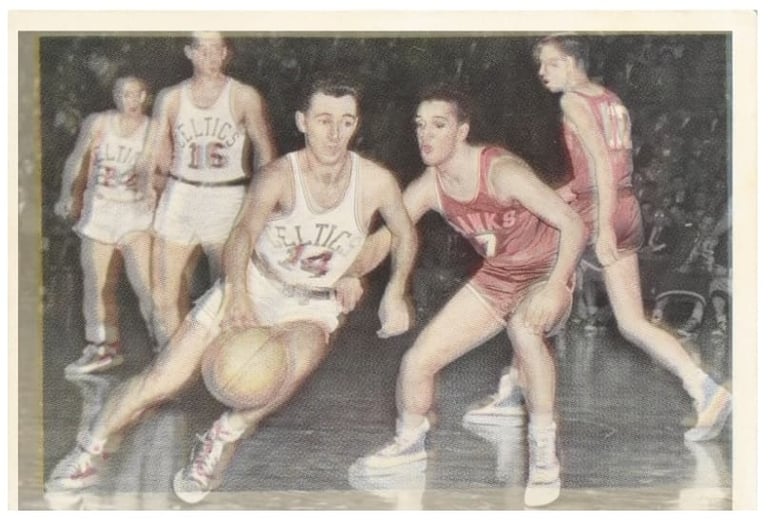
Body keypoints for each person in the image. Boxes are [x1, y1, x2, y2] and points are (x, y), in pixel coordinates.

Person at [44, 73, 417, 504]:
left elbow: (403, 234)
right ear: (302, 121)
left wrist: (392, 290)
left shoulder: (376, 182)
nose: (335, 133)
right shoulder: (279, 175)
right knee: (162, 378)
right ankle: (88, 451)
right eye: (324, 120)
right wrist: (237, 293)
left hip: (312, 302)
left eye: (346, 121)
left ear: (357, 124)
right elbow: (241, 236)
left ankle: (224, 435)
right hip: (256, 283)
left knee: (293, 365)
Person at [350, 85, 587, 508]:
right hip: (498, 278)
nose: (426, 135)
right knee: (417, 360)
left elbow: (572, 224)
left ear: (462, 131)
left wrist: (555, 285)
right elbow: (387, 238)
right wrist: (345, 274)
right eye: (420, 126)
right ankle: (410, 445)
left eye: (438, 125)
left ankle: (545, 453)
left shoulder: (502, 172)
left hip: (544, 271)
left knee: (525, 329)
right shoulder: (431, 185)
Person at [519, 33, 730, 442]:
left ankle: (511, 394)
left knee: (534, 290)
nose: (542, 73)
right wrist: (569, 196)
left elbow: (600, 162)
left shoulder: (572, 100)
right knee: (632, 322)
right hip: (626, 205)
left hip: (601, 209)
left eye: (550, 63)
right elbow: (611, 166)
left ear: (573, 61)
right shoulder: (611, 99)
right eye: (540, 65)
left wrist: (599, 226)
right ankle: (705, 389)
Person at [144, 31, 277, 348]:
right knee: (162, 292)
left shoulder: (243, 95)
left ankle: (218, 365)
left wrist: (260, 201)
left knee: (228, 289)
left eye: (217, 49)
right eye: (203, 50)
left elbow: (265, 152)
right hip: (182, 193)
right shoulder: (171, 97)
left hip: (226, 196)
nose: (211, 57)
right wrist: (152, 182)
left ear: (226, 53)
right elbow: (155, 150)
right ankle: (170, 362)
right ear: (189, 52)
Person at [53, 76, 156, 374]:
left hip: (135, 214)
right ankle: (103, 347)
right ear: (116, 96)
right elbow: (76, 159)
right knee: (97, 283)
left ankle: (163, 346)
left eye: (136, 94)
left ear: (145, 97)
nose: (130, 100)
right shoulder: (98, 123)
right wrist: (67, 194)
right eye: (124, 94)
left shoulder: (154, 128)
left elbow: (159, 168)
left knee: (146, 285)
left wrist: (151, 186)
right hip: (100, 210)